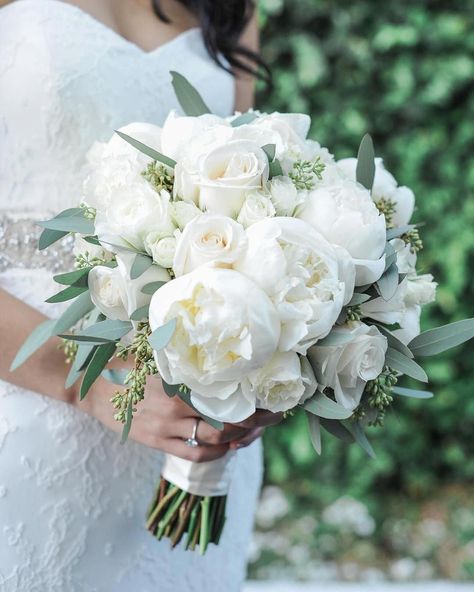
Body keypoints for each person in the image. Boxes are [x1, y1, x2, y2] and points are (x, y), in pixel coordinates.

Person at [0, 1, 280, 590]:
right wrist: (93, 382)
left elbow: (255, 200)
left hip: (191, 432)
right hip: (25, 396)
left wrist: (278, 352)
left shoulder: (232, 7)